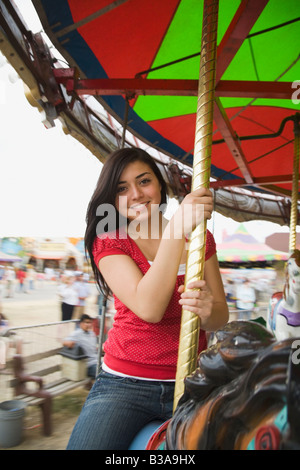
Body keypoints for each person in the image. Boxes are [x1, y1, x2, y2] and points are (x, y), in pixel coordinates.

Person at [67, 147, 229, 450]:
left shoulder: (200, 240)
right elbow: (149, 308)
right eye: (121, 188)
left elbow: (221, 313)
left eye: (144, 181)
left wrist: (208, 313)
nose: (137, 195)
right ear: (112, 198)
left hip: (194, 381)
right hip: (127, 384)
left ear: (159, 184)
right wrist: (176, 231)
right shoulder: (111, 239)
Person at [62, 314, 98, 378]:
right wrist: (70, 343)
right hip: (88, 365)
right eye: (86, 322)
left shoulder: (92, 334)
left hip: (96, 361)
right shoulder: (76, 334)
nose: (88, 325)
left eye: (90, 323)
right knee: (104, 374)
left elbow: (94, 348)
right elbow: (64, 342)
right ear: (81, 323)